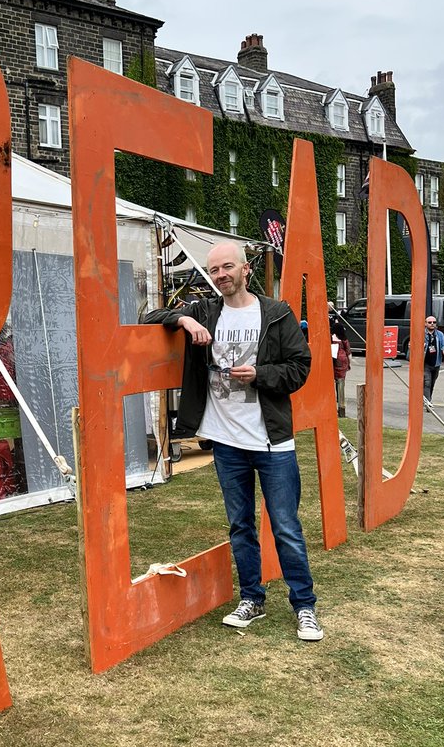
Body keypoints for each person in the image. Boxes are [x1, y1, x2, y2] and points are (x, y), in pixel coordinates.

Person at [144, 242, 323, 641]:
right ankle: (252, 599)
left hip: (272, 442)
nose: (221, 274)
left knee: (286, 527)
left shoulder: (276, 313)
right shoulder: (205, 310)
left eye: (228, 267)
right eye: (214, 270)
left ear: (246, 269)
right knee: (240, 526)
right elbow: (148, 316)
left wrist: (259, 374)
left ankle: (305, 606)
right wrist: (183, 321)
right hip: (226, 443)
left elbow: (300, 367)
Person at [328, 302, 351, 417]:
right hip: (343, 360)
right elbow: (348, 352)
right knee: (341, 382)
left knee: (332, 380)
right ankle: (340, 403)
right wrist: (349, 363)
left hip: (333, 359)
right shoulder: (344, 338)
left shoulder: (331, 337)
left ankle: (333, 401)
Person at [423, 314, 444, 406]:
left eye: (434, 322)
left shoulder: (439, 334)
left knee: (431, 384)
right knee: (427, 382)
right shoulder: (422, 334)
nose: (432, 324)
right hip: (425, 363)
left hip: (436, 363)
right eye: (429, 322)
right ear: (425, 324)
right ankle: (428, 403)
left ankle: (427, 400)